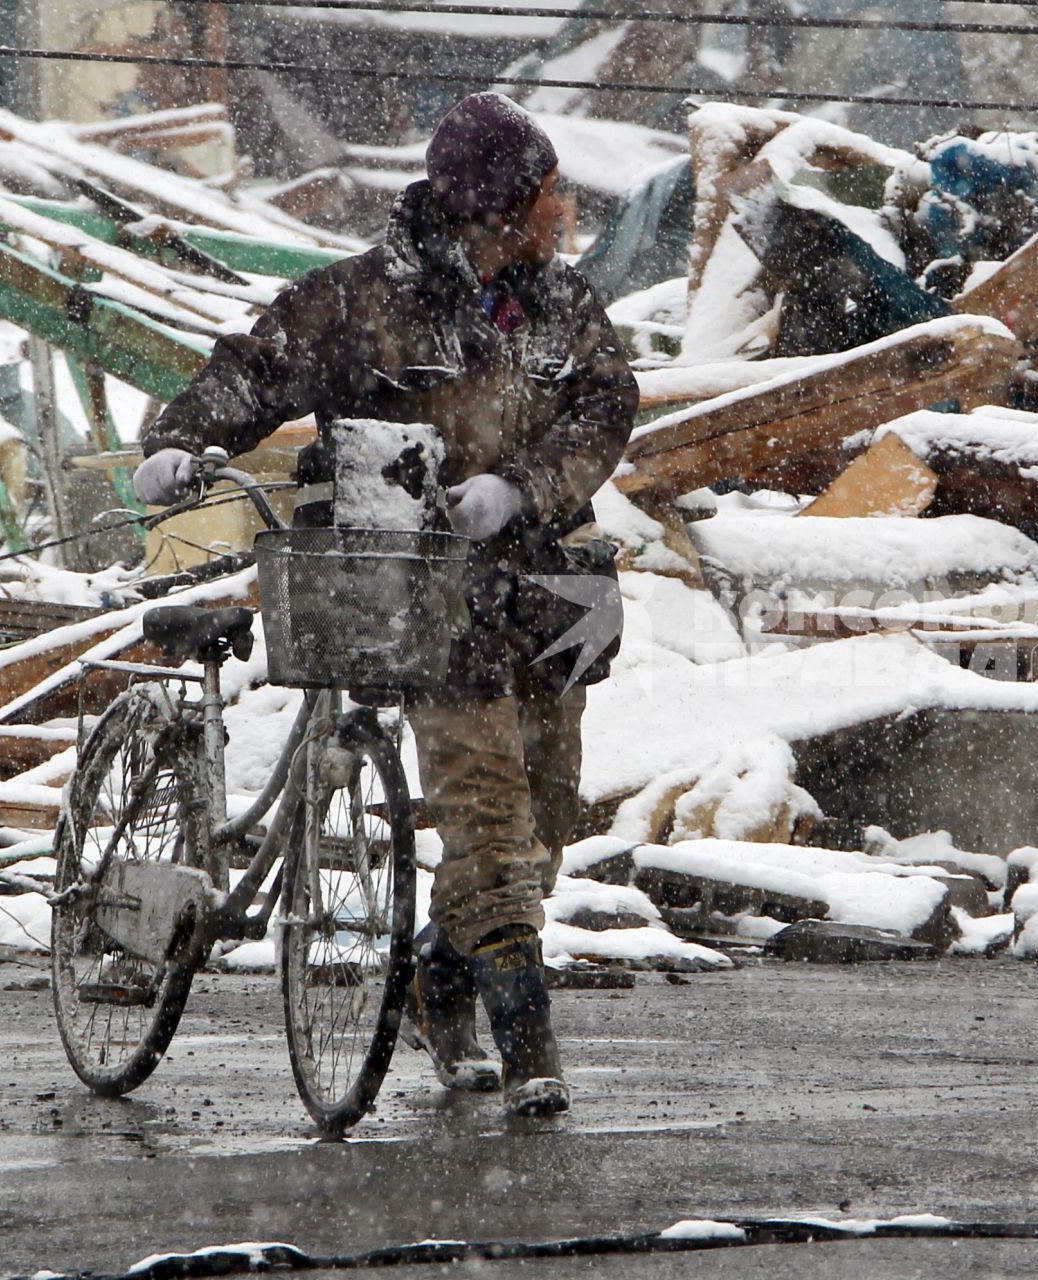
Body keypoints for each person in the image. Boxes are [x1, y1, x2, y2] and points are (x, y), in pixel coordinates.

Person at [133, 93, 639, 1117]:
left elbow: (607, 402)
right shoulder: (363, 303)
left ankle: (436, 978)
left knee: (541, 826)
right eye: (546, 192)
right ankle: (529, 1043)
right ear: (496, 204)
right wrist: (181, 439)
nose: (562, 209)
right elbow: (252, 371)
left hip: (541, 600)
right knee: (488, 819)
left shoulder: (561, 305)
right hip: (412, 601)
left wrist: (526, 488)